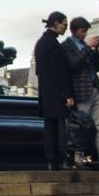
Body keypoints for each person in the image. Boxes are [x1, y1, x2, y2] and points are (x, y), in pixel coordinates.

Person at [62, 17, 99, 170]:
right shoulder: (66, 46)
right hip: (81, 91)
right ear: (74, 31)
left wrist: (95, 51)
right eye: (82, 31)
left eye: (85, 32)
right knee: (81, 126)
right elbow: (73, 65)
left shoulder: (85, 45)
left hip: (95, 88)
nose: (84, 35)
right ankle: (79, 160)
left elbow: (95, 67)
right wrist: (87, 48)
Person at [33, 11, 75, 169]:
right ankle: (61, 158)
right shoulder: (53, 43)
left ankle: (51, 159)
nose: (66, 27)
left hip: (45, 90)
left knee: (49, 125)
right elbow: (60, 70)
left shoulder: (41, 42)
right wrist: (68, 93)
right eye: (64, 24)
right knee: (60, 125)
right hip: (56, 91)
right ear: (56, 23)